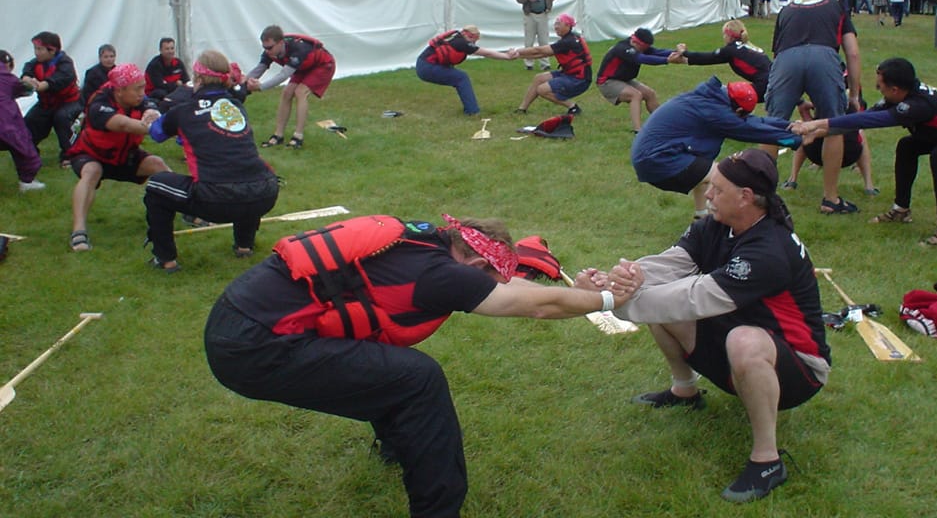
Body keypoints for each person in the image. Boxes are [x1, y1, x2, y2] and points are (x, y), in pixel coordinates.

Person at [204, 213, 633, 518]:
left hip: (234, 320)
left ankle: (394, 447)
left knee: (387, 369)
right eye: (489, 277)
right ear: (477, 263)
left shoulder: (421, 240)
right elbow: (536, 307)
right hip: (255, 349)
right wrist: (609, 300)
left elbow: (520, 291)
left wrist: (579, 293)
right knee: (417, 378)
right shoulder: (443, 275)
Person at [584, 149, 830, 503]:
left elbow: (693, 297)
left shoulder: (769, 250)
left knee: (740, 338)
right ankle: (685, 392)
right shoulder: (716, 225)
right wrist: (623, 277)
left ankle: (767, 460)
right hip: (739, 336)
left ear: (746, 198)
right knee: (669, 307)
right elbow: (671, 265)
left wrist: (608, 303)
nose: (708, 194)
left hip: (798, 369)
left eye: (716, 188)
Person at [793, 57, 937, 247]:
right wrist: (815, 131)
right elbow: (859, 120)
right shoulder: (902, 97)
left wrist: (818, 123)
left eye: (880, 86)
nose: (878, 89)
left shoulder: (916, 106)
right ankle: (901, 210)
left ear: (895, 89)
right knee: (907, 146)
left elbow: (869, 121)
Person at [145, 50, 279, 272]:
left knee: (157, 185)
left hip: (217, 198)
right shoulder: (236, 106)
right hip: (266, 191)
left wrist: (152, 118)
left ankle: (165, 258)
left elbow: (157, 134)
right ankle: (244, 246)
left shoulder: (183, 111)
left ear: (197, 79)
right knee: (242, 171)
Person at [630, 76, 799, 218]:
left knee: (704, 171)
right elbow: (751, 130)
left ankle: (702, 218)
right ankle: (746, 221)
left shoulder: (711, 99)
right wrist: (794, 141)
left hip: (649, 157)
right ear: (738, 108)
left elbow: (754, 121)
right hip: (657, 161)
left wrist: (791, 126)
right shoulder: (716, 114)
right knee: (727, 177)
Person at [764, 0, 862, 215]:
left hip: (787, 59)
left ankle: (763, 194)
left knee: (773, 125)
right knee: (833, 125)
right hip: (824, 57)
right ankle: (830, 198)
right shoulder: (837, 7)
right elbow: (853, 52)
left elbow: (777, 54)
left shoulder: (786, 10)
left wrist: (796, 99)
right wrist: (854, 94)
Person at [66, 63, 169, 252]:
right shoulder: (99, 104)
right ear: (120, 91)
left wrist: (152, 112)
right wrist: (163, 127)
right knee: (91, 171)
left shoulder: (138, 98)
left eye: (143, 87)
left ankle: (191, 210)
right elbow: (124, 125)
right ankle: (78, 230)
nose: (142, 92)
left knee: (158, 164)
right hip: (91, 154)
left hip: (124, 155)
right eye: (137, 88)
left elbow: (150, 105)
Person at [245, 25, 336, 149]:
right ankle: (278, 135)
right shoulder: (270, 51)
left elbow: (283, 75)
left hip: (323, 65)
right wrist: (244, 82)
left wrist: (261, 87)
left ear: (280, 42)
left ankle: (298, 136)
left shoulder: (298, 48)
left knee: (300, 92)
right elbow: (260, 68)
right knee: (286, 93)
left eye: (270, 47)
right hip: (304, 67)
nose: (267, 51)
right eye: (264, 48)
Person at [781, 101, 878, 195]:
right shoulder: (850, 106)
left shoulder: (822, 104)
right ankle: (869, 185)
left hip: (815, 155)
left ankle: (792, 179)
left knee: (803, 132)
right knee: (860, 134)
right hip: (850, 156)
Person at [595, 27, 682, 133]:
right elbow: (642, 59)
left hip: (623, 79)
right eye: (643, 48)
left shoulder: (639, 47)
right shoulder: (622, 48)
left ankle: (663, 124)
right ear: (636, 42)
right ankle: (638, 130)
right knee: (635, 95)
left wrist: (678, 53)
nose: (644, 50)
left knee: (650, 93)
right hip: (607, 81)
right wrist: (667, 60)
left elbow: (657, 52)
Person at [415, 25, 516, 116]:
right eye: (473, 39)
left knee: (457, 76)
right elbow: (486, 53)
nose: (473, 43)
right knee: (461, 78)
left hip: (423, 64)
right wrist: (507, 56)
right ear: (468, 35)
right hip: (427, 67)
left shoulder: (456, 37)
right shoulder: (462, 43)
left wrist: (506, 54)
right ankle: (472, 111)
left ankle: (471, 109)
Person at [19, 31, 83, 167]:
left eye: (39, 49)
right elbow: (27, 69)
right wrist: (26, 78)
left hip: (70, 102)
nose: (36, 52)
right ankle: (30, 154)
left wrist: (41, 85)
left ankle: (71, 154)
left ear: (52, 50)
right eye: (35, 49)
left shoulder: (66, 63)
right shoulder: (36, 63)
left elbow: (59, 80)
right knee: (29, 123)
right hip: (46, 104)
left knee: (62, 118)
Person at [677, 19, 772, 102]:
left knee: (722, 98)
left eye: (724, 35)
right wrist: (686, 61)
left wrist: (685, 53)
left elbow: (708, 58)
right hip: (775, 80)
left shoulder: (731, 50)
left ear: (729, 35)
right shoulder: (749, 46)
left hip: (764, 85)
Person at [514, 13, 591, 115]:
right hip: (571, 74)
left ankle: (573, 107)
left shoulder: (568, 41)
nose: (556, 27)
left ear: (568, 26)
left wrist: (516, 51)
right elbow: (541, 54)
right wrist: (517, 56)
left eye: (559, 24)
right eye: (555, 24)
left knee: (542, 90)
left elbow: (539, 50)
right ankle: (522, 109)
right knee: (539, 78)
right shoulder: (570, 38)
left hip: (579, 79)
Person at [0, 50, 45, 192]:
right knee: (21, 143)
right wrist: (31, 83)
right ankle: (27, 181)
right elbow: (24, 89)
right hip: (6, 122)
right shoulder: (8, 78)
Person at [514, 0, 561, 71]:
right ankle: (528, 63)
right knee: (529, 41)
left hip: (543, 14)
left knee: (544, 40)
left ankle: (545, 63)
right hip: (530, 14)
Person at [144, 37, 191, 110]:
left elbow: (186, 81)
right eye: (167, 49)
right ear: (160, 50)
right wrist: (176, 84)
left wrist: (174, 85)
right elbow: (160, 86)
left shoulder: (178, 63)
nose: (170, 51)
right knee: (161, 93)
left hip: (174, 92)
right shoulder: (155, 65)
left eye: (172, 48)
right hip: (154, 94)